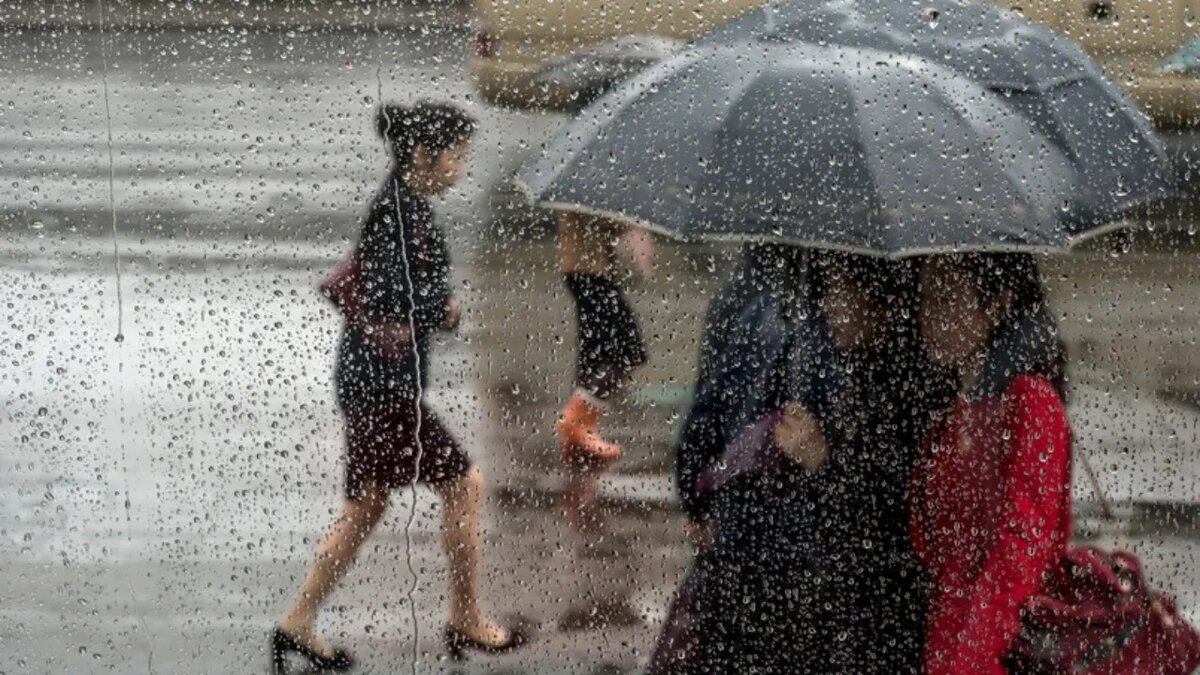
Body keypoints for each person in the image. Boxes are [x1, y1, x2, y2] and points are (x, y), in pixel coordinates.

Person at [270, 102, 527, 674]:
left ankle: (298, 623)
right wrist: (444, 309)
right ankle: (466, 617)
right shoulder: (399, 213)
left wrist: (435, 307)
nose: (460, 168)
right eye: (456, 155)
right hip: (381, 387)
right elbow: (388, 295)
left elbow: (393, 291)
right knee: (464, 485)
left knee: (365, 507)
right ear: (422, 154)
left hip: (374, 382)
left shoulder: (405, 206)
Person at [688, 254, 948, 673]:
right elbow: (710, 411)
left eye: (843, 290)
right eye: (829, 287)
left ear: (883, 302)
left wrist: (820, 460)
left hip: (862, 604)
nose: (830, 303)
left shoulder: (909, 384)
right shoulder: (829, 351)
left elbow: (893, 514)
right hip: (788, 579)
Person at [910, 253, 1072, 675]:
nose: (929, 316)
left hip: (996, 649)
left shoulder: (1031, 401)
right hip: (950, 639)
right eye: (925, 297)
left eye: (947, 298)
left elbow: (1020, 550)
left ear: (998, 305)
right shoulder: (954, 411)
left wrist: (970, 657)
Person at [555, 211, 652, 538]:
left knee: (595, 355)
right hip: (589, 274)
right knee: (627, 351)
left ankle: (584, 429)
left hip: (586, 272)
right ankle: (575, 419)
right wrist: (634, 224)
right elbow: (599, 217)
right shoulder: (584, 189)